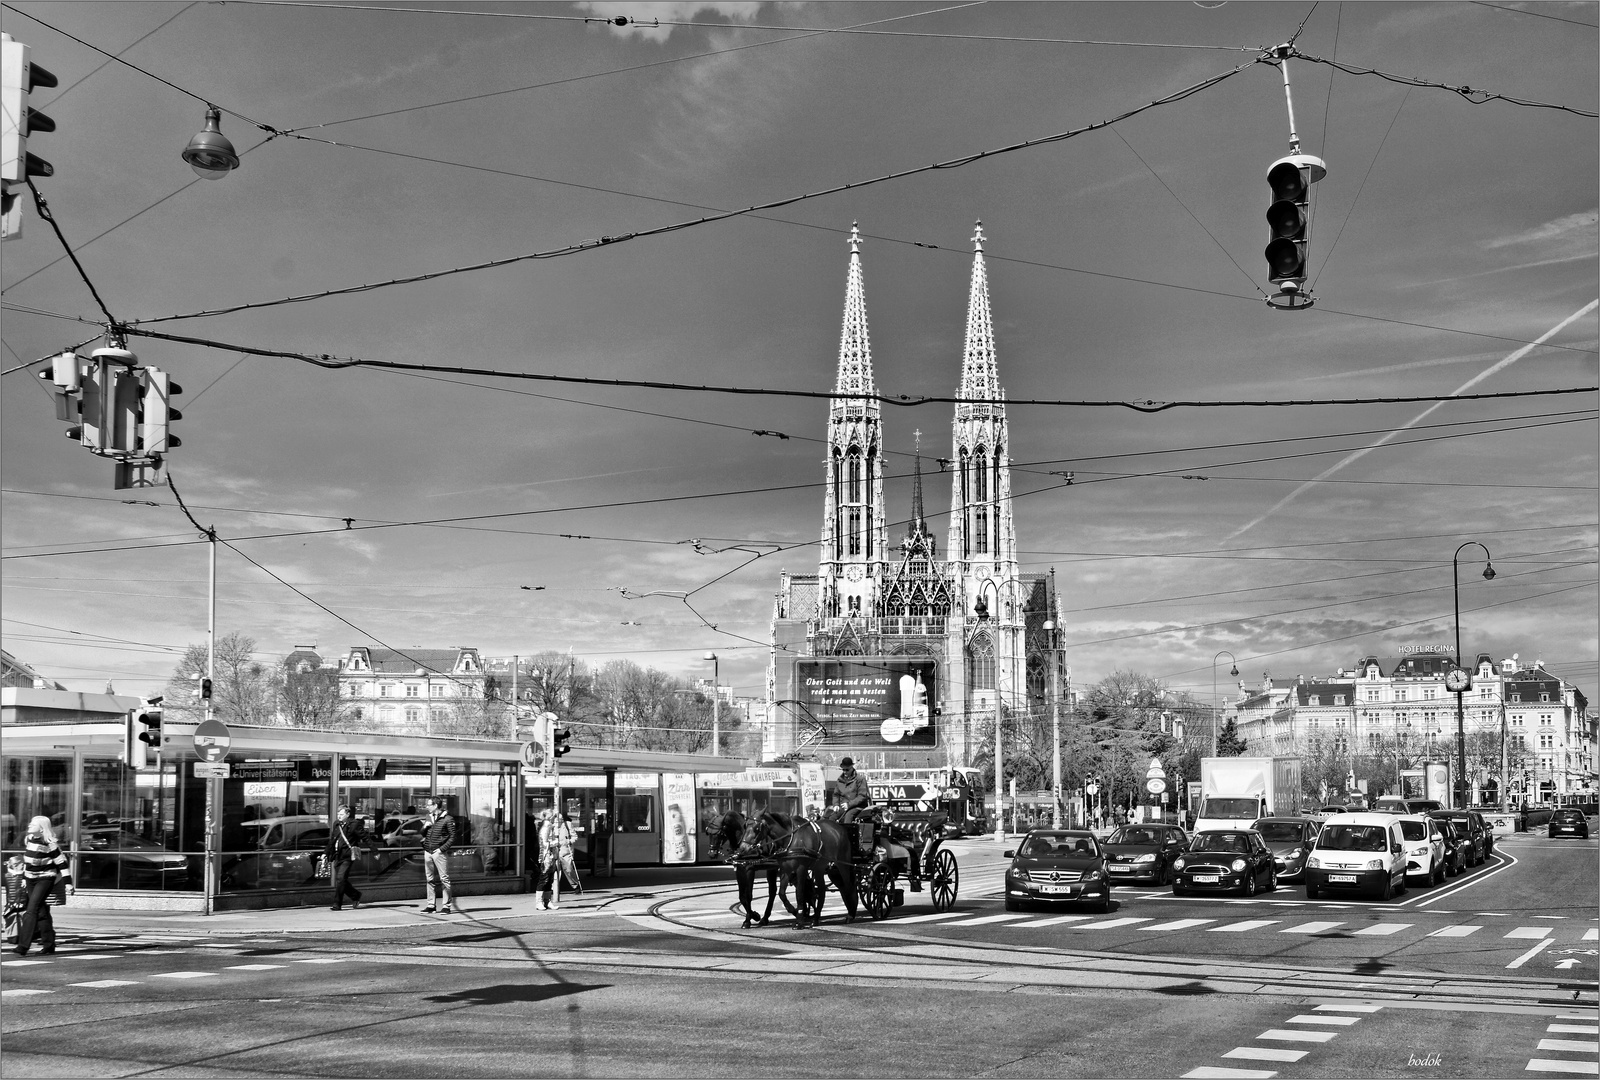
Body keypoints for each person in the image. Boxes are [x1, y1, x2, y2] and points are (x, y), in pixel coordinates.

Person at [14, 815, 72, 956]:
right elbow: (28, 862)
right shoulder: (29, 840)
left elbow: (61, 863)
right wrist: (23, 878)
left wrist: (68, 883)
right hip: (30, 879)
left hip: (45, 879)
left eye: (33, 824)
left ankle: (23, 946)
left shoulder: (50, 843)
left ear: (41, 829)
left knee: (31, 910)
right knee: (41, 912)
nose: (29, 825)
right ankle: (49, 945)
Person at [419, 796, 460, 915]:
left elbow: (453, 837)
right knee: (429, 879)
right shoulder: (428, 817)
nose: (427, 807)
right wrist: (424, 827)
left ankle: (446, 906)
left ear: (436, 805)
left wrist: (441, 849)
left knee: (444, 879)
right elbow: (422, 833)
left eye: (429, 804)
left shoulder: (447, 819)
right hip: (428, 851)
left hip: (438, 852)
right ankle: (431, 905)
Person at [325, 804, 368, 912]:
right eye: (338, 814)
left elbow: (364, 837)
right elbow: (332, 840)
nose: (339, 816)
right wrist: (325, 853)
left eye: (341, 814)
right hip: (337, 855)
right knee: (341, 880)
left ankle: (337, 904)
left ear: (347, 814)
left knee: (340, 878)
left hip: (348, 856)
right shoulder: (336, 824)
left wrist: (375, 850)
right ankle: (355, 895)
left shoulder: (353, 824)